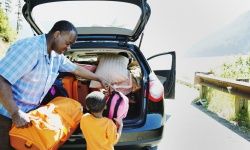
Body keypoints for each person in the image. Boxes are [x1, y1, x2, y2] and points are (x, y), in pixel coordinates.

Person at [0, 20, 109, 150]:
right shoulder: (30, 49)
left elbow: (75, 69)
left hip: (29, 115)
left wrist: (99, 78)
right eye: (68, 43)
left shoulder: (56, 55)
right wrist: (15, 112)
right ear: (57, 34)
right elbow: (2, 79)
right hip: (6, 116)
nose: (68, 48)